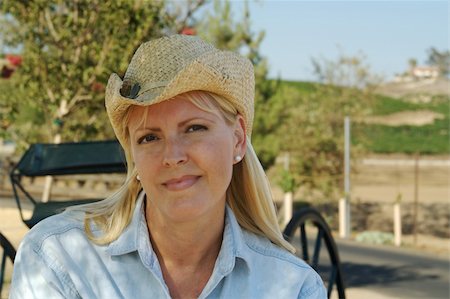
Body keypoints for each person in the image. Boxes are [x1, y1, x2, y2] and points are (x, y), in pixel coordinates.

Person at [9, 35, 326, 299]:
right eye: (149, 137)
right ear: (133, 156)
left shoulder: (293, 287)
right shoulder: (57, 257)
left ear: (239, 139)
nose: (172, 156)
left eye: (194, 128)